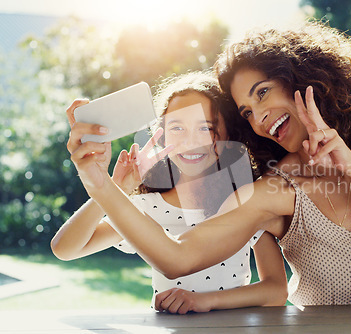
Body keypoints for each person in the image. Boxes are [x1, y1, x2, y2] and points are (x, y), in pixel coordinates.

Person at [63, 21, 351, 306]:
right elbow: (176, 258)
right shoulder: (274, 189)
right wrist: (97, 181)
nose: (259, 116)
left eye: (263, 93)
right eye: (247, 111)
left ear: (304, 77)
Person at [51, 71, 288, 314]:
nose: (190, 141)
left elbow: (276, 290)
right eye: (177, 128)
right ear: (162, 137)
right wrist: (116, 189)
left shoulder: (245, 202)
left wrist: (204, 301)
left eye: (205, 128)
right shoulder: (147, 206)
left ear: (228, 135)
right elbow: (66, 249)